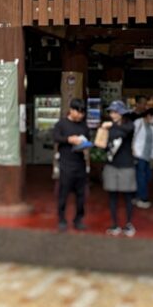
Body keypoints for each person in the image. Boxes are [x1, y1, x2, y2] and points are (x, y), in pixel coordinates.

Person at [52, 99, 90, 232]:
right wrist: (69, 139)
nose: (80, 115)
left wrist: (84, 145)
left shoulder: (84, 126)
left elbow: (88, 140)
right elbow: (56, 137)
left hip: (80, 163)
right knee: (64, 193)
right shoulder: (61, 124)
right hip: (66, 164)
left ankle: (78, 219)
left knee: (81, 194)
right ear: (71, 110)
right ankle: (61, 219)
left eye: (82, 113)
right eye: (78, 112)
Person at [101, 100, 138, 237]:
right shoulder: (109, 127)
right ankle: (114, 225)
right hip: (111, 164)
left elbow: (127, 131)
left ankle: (128, 224)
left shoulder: (129, 125)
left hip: (126, 165)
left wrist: (110, 126)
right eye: (111, 111)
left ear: (122, 113)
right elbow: (104, 143)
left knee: (128, 197)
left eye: (115, 111)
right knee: (112, 197)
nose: (113, 114)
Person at [132, 107, 153, 209]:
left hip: (148, 156)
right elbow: (132, 136)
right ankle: (143, 198)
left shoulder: (152, 127)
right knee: (141, 176)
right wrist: (132, 149)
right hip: (139, 154)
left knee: (147, 176)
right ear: (148, 116)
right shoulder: (138, 123)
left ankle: (138, 196)